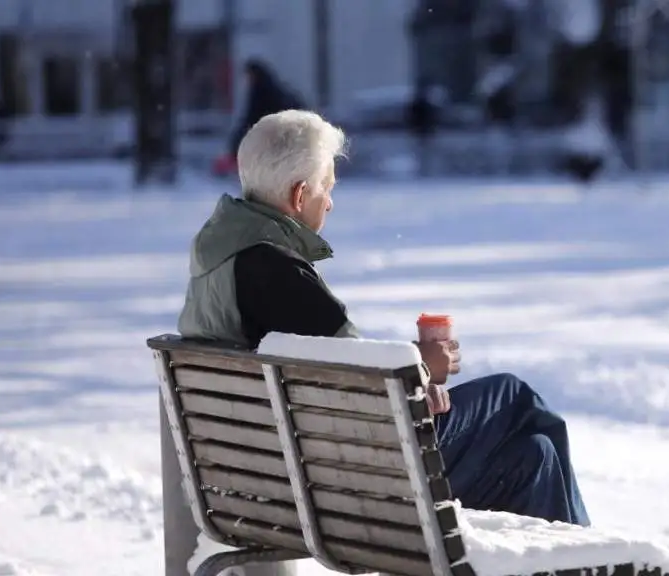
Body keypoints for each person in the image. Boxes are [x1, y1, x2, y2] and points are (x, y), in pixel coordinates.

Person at [177, 109, 591, 527]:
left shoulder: (218, 259)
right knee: (514, 397)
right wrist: (424, 366)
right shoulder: (276, 272)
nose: (331, 202)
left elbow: (339, 379)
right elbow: (363, 391)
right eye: (328, 188)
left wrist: (412, 382)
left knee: (533, 456)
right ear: (301, 195)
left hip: (273, 476)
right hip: (345, 485)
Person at [212, 59, 307, 177]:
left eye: (249, 76)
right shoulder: (275, 89)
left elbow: (251, 118)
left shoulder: (261, 93)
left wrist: (235, 145)